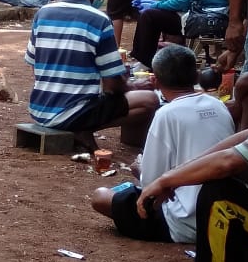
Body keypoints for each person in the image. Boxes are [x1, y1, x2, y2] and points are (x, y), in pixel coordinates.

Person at [91, 45, 234, 244]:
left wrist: (139, 169)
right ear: (196, 77)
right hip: (228, 216)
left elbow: (151, 184)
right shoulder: (219, 106)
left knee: (101, 196)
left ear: (155, 81)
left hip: (187, 222)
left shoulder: (167, 114)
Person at [25, 0, 159, 151]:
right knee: (149, 100)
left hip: (39, 109)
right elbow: (112, 85)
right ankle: (82, 129)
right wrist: (132, 85)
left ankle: (81, 125)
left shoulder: (43, 12)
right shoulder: (99, 20)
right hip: (73, 112)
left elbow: (34, 62)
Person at [137, 128, 248, 262]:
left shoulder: (166, 114)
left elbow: (228, 162)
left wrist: (164, 180)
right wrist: (177, 174)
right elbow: (246, 137)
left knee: (219, 195)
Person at [129, 0, 228, 70]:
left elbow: (183, 1)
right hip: (213, 12)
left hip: (207, 15)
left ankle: (145, 62)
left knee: (149, 16)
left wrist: (155, 4)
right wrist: (158, 2)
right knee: (153, 13)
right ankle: (144, 60)